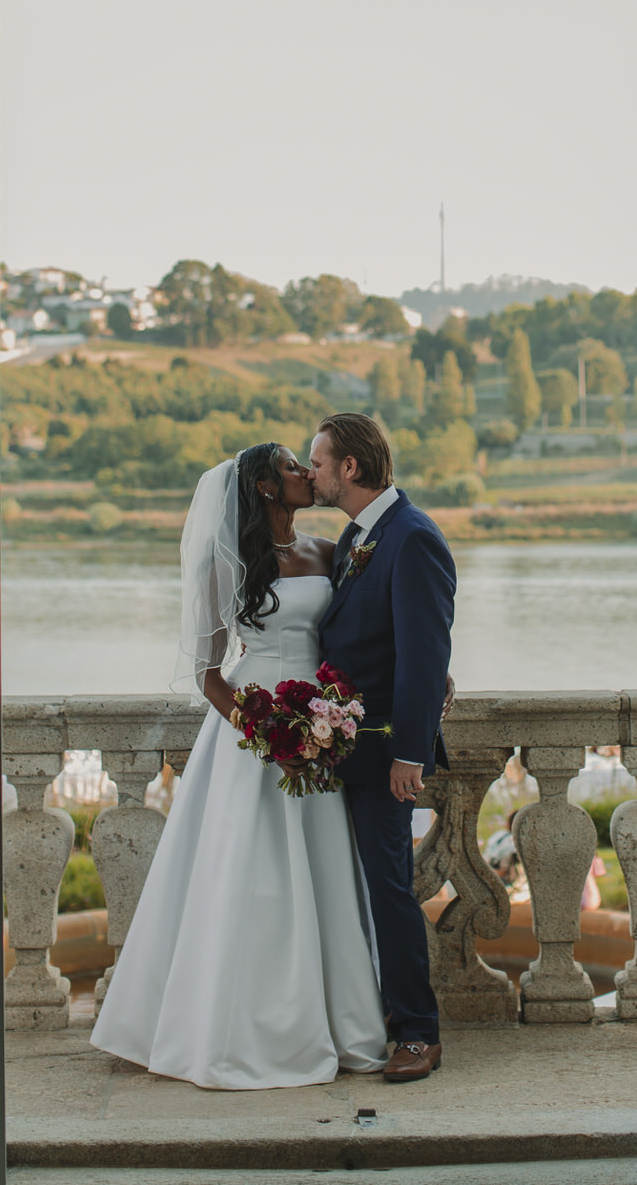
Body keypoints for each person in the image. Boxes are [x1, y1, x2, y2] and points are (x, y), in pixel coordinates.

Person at [90, 442, 389, 1089]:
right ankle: (226, 1032)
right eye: (290, 467)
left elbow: (366, 630)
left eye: (306, 465)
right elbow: (209, 676)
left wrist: (337, 714)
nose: (306, 474)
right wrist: (266, 730)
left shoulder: (329, 553)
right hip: (256, 731)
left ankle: (339, 1024)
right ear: (261, 487)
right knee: (244, 878)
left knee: (324, 873)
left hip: (324, 726)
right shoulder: (228, 564)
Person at [310, 413, 457, 1084]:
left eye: (319, 461)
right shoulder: (356, 537)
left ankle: (417, 1032)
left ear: (351, 468)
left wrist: (410, 755)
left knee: (389, 889)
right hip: (340, 751)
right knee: (347, 890)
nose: (312, 473)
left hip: (382, 757)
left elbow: (426, 659)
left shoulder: (413, 538)